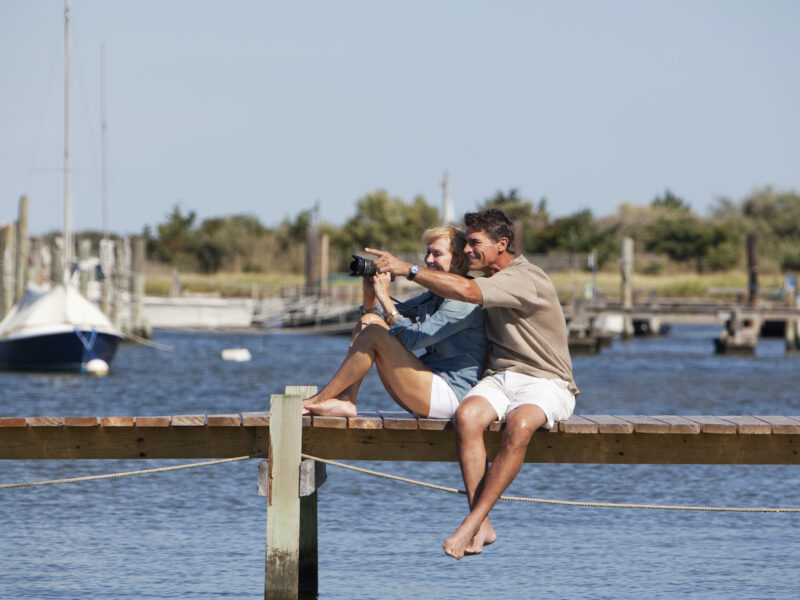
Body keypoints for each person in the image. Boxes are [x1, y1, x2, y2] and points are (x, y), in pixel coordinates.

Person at [366, 208, 578, 560]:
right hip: (500, 378)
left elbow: (465, 290)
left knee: (520, 424)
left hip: (546, 381)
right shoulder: (487, 280)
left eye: (475, 243)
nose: (467, 250)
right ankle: (485, 525)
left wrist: (409, 269)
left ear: (502, 244)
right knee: (466, 417)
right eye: (465, 242)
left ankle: (471, 524)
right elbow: (437, 302)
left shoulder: (525, 278)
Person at [302, 226, 486, 420]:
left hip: (452, 396)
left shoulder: (463, 301)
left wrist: (385, 297)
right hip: (427, 384)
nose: (428, 260)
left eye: (437, 254)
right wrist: (371, 291)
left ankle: (318, 400)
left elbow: (412, 341)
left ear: (457, 259)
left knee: (374, 332)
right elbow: (378, 318)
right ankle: (347, 399)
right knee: (368, 322)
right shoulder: (435, 295)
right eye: (427, 253)